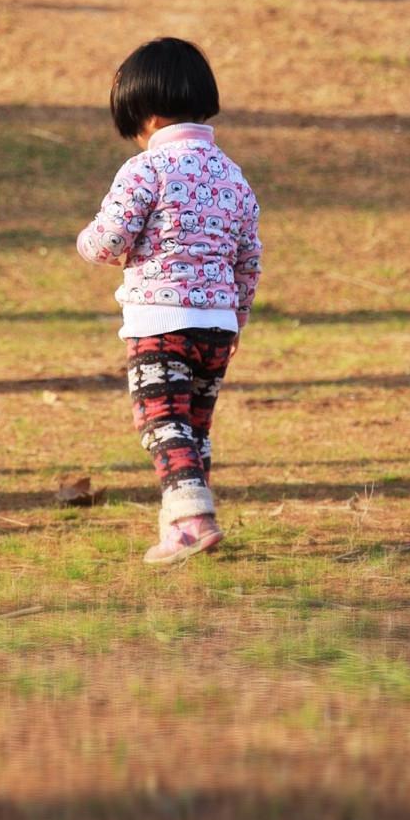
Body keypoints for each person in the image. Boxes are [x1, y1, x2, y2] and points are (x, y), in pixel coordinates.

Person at [76, 38, 262, 566]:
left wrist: (86, 241)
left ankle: (192, 521)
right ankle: (182, 522)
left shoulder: (144, 170)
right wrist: (237, 316)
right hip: (219, 325)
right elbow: (249, 258)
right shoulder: (233, 175)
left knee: (161, 421)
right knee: (192, 426)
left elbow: (111, 240)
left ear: (149, 116)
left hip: (160, 321)